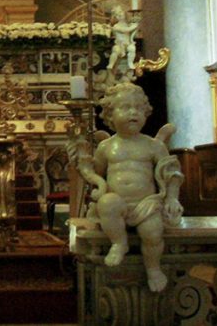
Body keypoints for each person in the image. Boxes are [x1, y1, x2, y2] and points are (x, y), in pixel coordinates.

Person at [82, 83, 183, 292]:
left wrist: (172, 198)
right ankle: (119, 242)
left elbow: (171, 173)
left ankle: (153, 268)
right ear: (110, 115)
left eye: (138, 108)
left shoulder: (153, 145)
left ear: (146, 112)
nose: (133, 112)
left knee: (153, 232)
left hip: (146, 204)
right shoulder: (106, 146)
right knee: (108, 202)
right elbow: (97, 174)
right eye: (125, 108)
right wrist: (94, 182)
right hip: (116, 203)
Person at [107, 5, 140, 74]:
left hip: (127, 44)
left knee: (132, 48)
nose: (119, 15)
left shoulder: (127, 24)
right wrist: (133, 26)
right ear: (115, 17)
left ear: (124, 13)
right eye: (117, 14)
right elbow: (125, 30)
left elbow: (132, 32)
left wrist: (135, 25)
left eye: (120, 12)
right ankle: (111, 64)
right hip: (119, 45)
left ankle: (130, 62)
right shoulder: (116, 26)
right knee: (116, 50)